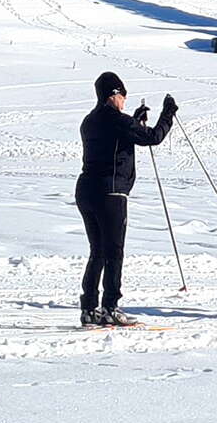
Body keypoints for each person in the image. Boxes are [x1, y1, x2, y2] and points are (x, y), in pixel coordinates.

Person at [75, 71, 177, 327]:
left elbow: (119, 137)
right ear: (114, 94)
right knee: (114, 252)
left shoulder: (89, 120)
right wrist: (168, 114)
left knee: (97, 251)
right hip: (110, 192)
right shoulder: (116, 120)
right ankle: (110, 306)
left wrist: (133, 121)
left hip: (86, 190)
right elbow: (153, 137)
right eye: (123, 95)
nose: (124, 100)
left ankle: (89, 308)